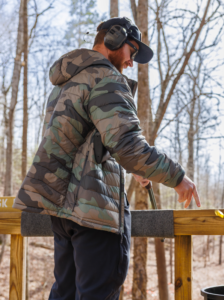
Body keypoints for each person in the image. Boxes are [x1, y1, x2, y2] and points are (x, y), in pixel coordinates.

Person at [13, 17, 200, 300]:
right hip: (94, 212)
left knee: (65, 293)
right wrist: (177, 177)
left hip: (64, 213)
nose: (131, 62)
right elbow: (127, 145)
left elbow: (80, 142)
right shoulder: (107, 78)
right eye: (132, 51)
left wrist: (125, 163)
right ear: (114, 38)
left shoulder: (67, 81)